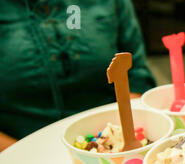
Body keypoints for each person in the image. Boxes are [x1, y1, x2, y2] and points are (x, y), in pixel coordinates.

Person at [0, 0, 156, 151]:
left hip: (113, 142)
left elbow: (136, 74)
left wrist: (126, 136)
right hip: (19, 148)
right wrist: (21, 156)